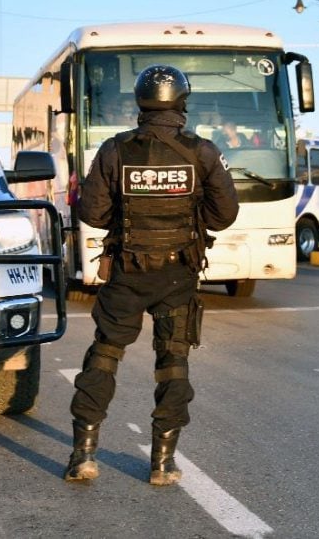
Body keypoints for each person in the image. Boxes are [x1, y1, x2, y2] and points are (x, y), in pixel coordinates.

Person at [64, 64, 239, 486]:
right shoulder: (203, 152)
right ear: (182, 101)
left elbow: (92, 213)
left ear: (140, 102)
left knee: (104, 357)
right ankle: (163, 462)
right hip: (178, 276)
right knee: (173, 364)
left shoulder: (115, 150)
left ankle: (83, 455)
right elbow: (223, 217)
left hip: (126, 273)